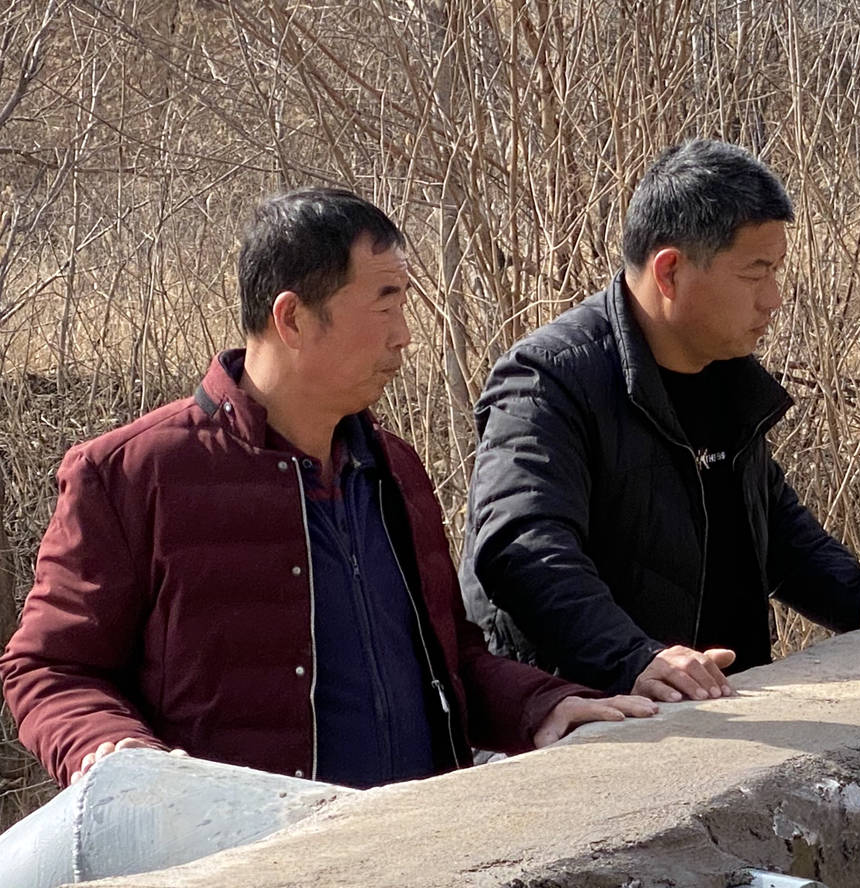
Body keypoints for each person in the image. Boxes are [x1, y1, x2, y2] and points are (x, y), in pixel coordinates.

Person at [1, 189, 655, 789]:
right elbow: (51, 669)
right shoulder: (130, 474)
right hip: (236, 876)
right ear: (293, 318)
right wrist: (118, 755)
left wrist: (544, 704)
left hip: (414, 862)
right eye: (385, 304)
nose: (404, 335)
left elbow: (449, 660)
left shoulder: (392, 468)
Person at [461, 140, 860, 702]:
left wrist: (857, 594)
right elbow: (523, 548)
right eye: (755, 273)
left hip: (716, 710)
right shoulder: (548, 381)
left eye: (776, 271)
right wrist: (633, 657)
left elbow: (768, 521)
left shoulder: (722, 373)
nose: (774, 298)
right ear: (670, 272)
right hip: (591, 723)